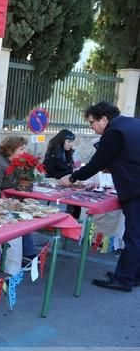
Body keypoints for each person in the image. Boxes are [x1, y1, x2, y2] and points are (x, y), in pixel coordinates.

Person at [59, 101, 140, 292]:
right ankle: (131, 275)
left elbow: (96, 163)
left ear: (104, 119)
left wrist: (72, 177)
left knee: (134, 236)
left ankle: (124, 279)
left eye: (92, 123)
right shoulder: (132, 124)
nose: (93, 129)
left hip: (135, 189)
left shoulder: (114, 132)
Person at [0, 136, 36, 259]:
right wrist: (11, 203)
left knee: (26, 217)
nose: (24, 152)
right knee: (21, 219)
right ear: (10, 150)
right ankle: (26, 254)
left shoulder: (16, 164)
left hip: (9, 203)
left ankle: (24, 253)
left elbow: (20, 185)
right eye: (21, 149)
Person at [43, 129, 81, 219]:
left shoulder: (70, 152)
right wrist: (67, 177)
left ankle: (74, 220)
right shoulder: (52, 153)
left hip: (69, 184)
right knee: (75, 201)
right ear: (61, 140)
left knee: (78, 202)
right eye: (68, 141)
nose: (71, 144)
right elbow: (50, 173)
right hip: (57, 186)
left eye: (72, 142)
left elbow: (73, 168)